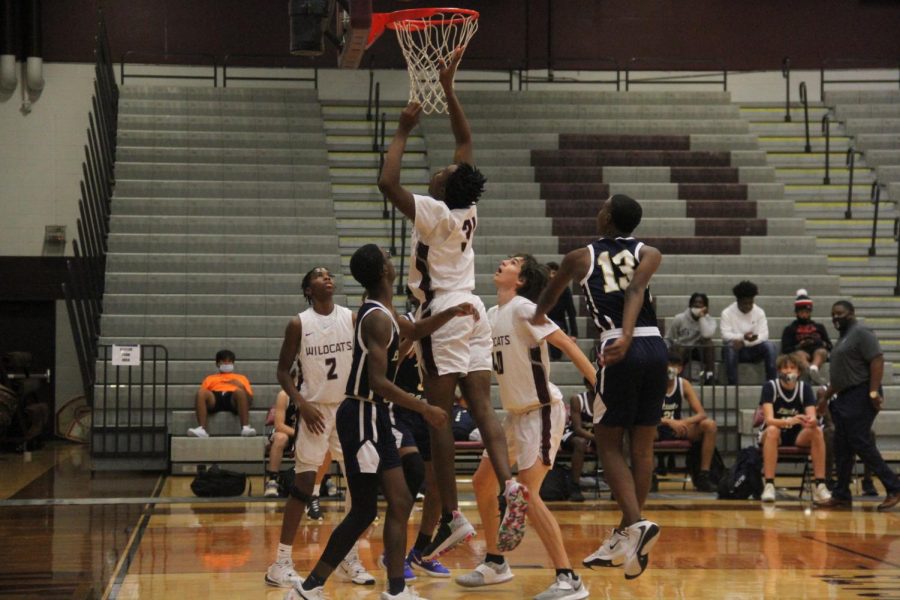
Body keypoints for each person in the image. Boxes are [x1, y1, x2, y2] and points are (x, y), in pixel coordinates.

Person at [378, 48, 528, 560]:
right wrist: (447, 85)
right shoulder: (467, 207)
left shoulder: (437, 213)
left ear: (442, 187)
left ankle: (451, 514)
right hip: (475, 312)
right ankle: (509, 483)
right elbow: (464, 140)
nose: (441, 168)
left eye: (441, 170)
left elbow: (387, 183)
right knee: (483, 405)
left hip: (442, 313)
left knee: (439, 415)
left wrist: (402, 129)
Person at [288, 244, 473, 600]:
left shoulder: (386, 312)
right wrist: (425, 408)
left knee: (397, 501)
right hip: (361, 414)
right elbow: (379, 382)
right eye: (389, 260)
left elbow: (415, 331)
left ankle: (392, 589)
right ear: (384, 272)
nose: (393, 263)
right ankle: (311, 587)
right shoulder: (375, 318)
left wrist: (452, 312)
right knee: (364, 510)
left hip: (374, 416)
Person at [532, 194, 667, 580]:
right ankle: (627, 534)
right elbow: (638, 289)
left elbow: (549, 299)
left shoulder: (579, 257)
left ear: (606, 216)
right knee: (642, 445)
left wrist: (536, 319)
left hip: (618, 344)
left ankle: (635, 526)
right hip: (656, 346)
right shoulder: (650, 251)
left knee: (607, 441)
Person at [455, 253, 594, 599]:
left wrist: (598, 386)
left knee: (527, 496)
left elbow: (566, 343)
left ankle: (568, 577)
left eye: (513, 262)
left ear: (521, 280)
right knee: (482, 482)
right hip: (515, 415)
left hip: (542, 411)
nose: (503, 261)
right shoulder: (491, 314)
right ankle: (495, 563)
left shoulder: (523, 309)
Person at [266, 267, 375, 589]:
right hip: (315, 411)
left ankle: (348, 557)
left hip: (348, 409)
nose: (327, 277)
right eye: (318, 275)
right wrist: (301, 402)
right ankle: (281, 563)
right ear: (308, 289)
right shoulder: (298, 323)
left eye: (329, 274)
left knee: (358, 486)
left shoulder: (352, 318)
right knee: (303, 485)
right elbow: (283, 371)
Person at [386, 298, 452, 579]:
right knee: (412, 473)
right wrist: (411, 341)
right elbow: (387, 367)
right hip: (402, 410)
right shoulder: (403, 323)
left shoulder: (448, 328)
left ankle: (421, 552)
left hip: (432, 411)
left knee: (437, 485)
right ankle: (393, 552)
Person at [816, 300, 900, 511]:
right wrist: (825, 397)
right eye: (833, 314)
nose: (836, 317)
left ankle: (894, 487)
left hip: (862, 393)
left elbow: (877, 360)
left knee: (859, 440)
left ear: (851, 313)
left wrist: (873, 391)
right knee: (841, 444)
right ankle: (842, 494)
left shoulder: (861, 332)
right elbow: (840, 378)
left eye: (840, 313)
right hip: (845, 396)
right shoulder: (843, 338)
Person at [757, 353, 831, 504]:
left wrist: (809, 420)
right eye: (785, 368)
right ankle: (769, 485)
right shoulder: (770, 387)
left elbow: (812, 419)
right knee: (772, 430)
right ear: (779, 371)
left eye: (792, 368)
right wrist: (789, 420)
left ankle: (820, 486)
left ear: (799, 372)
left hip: (797, 435)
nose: (788, 371)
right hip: (774, 434)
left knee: (816, 431)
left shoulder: (805, 388)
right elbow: (769, 420)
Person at [263, 385, 334, 515]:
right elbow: (279, 425)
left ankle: (327, 480)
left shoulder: (316, 394)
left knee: (326, 440)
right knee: (280, 438)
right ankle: (272, 480)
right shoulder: (284, 395)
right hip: (288, 432)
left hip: (307, 433)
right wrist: (300, 433)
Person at [657, 352, 719, 493]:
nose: (671, 369)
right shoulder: (653, 383)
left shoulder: (683, 384)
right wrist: (669, 422)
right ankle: (648, 473)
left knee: (710, 425)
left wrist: (682, 422)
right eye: (668, 365)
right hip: (658, 427)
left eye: (675, 366)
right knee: (644, 429)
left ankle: (704, 475)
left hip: (678, 428)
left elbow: (701, 413)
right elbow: (645, 414)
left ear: (680, 369)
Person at [187, 349, 256, 438]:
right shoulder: (210, 378)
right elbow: (200, 398)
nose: (227, 364)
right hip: (215, 398)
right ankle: (202, 429)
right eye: (223, 362)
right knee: (201, 392)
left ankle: (245, 428)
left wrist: (241, 386)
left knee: (240, 392)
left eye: (229, 362)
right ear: (217, 364)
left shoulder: (241, 378)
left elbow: (250, 400)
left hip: (233, 399)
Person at [720, 280, 777, 385]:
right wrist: (742, 337)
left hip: (753, 349)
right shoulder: (727, 313)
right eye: (744, 303)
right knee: (729, 347)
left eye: (750, 303)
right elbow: (725, 335)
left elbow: (764, 335)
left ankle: (772, 384)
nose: (748, 306)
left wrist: (744, 342)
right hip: (736, 350)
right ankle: (733, 385)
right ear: (737, 301)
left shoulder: (759, 312)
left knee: (770, 346)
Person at [561, 378, 603, 502]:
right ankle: (575, 486)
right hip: (572, 435)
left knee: (612, 444)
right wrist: (598, 439)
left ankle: (615, 486)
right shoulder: (577, 399)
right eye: (594, 384)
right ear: (587, 385)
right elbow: (578, 429)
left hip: (595, 437)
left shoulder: (606, 401)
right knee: (580, 442)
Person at [780, 289, 832, 385]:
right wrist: (799, 345)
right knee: (799, 354)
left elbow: (829, 346)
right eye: (802, 312)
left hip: (817, 351)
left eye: (807, 312)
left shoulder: (819, 327)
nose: (804, 315)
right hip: (801, 353)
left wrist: (818, 342)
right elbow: (785, 349)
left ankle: (813, 369)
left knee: (821, 352)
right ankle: (811, 373)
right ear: (796, 313)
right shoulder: (790, 329)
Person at [664, 292, 717, 385]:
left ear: (705, 307)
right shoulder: (679, 318)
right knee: (680, 348)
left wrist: (701, 318)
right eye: (695, 302)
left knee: (709, 344)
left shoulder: (710, 320)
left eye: (701, 303)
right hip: (684, 348)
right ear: (690, 305)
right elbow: (669, 337)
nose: (697, 305)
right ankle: (674, 377)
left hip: (699, 349)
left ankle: (710, 375)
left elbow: (706, 335)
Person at [546, 261, 579, 361]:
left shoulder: (564, 289)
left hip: (558, 323)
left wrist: (574, 334)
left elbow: (571, 312)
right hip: (542, 323)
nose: (551, 276)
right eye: (549, 273)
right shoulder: (540, 288)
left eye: (554, 273)